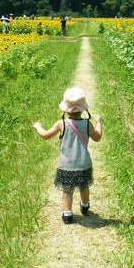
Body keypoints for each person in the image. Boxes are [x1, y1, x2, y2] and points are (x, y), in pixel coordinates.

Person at [33, 87, 103, 224]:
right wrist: (99, 122)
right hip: (83, 164)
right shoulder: (87, 124)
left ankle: (67, 214)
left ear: (65, 109)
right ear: (83, 109)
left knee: (67, 189)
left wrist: (38, 127)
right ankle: (84, 206)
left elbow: (45, 135)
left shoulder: (61, 124)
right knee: (84, 186)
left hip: (66, 165)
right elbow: (97, 137)